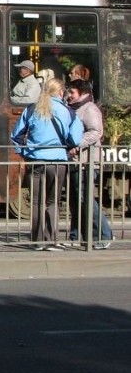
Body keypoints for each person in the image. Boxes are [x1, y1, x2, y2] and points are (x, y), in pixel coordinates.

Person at [10, 78, 83, 250]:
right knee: (52, 202)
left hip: (35, 161)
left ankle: (37, 241)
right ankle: (50, 240)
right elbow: (75, 139)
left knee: (36, 202)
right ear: (60, 92)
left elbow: (16, 136)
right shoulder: (68, 112)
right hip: (57, 162)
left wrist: (24, 154)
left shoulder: (31, 109)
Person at [66, 78, 114, 249]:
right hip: (76, 162)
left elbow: (95, 132)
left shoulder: (90, 109)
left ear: (83, 93)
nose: (68, 95)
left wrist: (76, 145)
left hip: (87, 162)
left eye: (72, 92)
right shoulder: (75, 108)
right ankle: (77, 235)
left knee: (85, 198)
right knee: (76, 200)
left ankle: (103, 234)